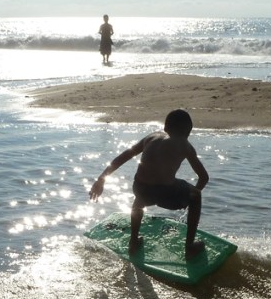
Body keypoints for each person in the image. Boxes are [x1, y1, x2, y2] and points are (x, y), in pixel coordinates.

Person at [89, 109, 209, 259]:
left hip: (140, 188)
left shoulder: (151, 137)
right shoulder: (186, 145)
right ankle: (189, 246)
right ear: (187, 132)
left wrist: (101, 180)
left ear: (165, 128)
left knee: (140, 197)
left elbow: (123, 157)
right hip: (165, 193)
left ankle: (133, 241)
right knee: (196, 196)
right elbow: (204, 177)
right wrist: (189, 198)